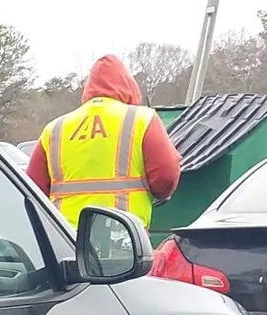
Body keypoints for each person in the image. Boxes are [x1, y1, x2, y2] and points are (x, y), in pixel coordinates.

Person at [27, 55, 182, 229]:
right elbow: (166, 177)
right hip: (123, 236)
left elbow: (33, 190)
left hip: (65, 237)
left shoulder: (54, 129)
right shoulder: (142, 119)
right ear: (129, 86)